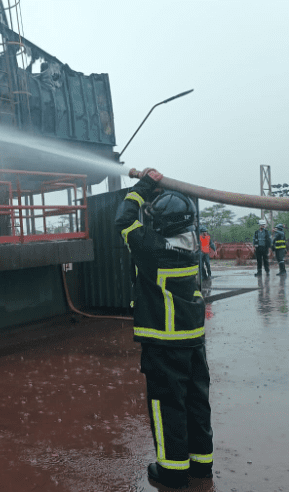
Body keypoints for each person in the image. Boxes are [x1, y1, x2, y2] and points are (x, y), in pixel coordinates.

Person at [115, 168, 213, 490]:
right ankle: (202, 464)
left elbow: (124, 219)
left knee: (167, 404)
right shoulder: (192, 247)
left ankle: (172, 471)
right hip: (193, 341)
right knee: (196, 401)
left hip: (163, 341)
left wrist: (145, 184)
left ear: (158, 224)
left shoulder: (151, 250)